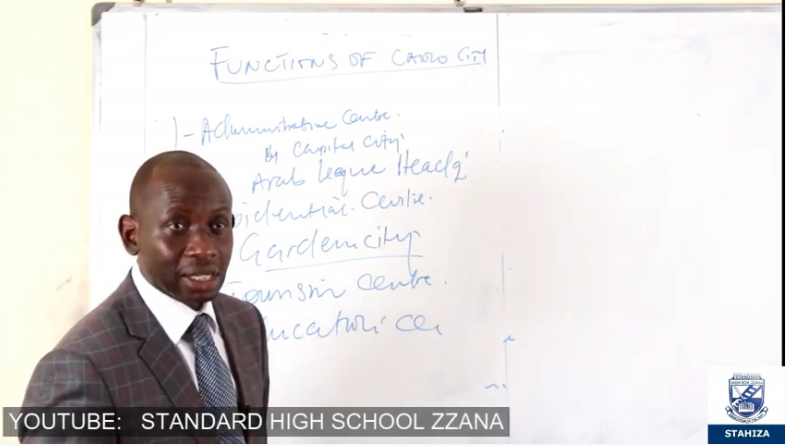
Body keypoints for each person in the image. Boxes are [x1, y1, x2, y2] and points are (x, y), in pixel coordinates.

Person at [19, 151, 270, 444]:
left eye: (217, 225)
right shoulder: (78, 367)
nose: (204, 248)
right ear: (131, 235)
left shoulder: (245, 322)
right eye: (177, 226)